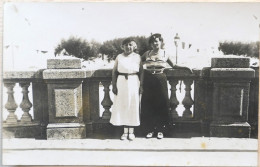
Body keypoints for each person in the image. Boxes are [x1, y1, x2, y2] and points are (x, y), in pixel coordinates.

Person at [141, 33, 191, 139]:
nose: (155, 43)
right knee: (148, 104)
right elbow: (137, 64)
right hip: (148, 79)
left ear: (161, 42)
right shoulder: (147, 53)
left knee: (162, 104)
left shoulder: (165, 53)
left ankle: (160, 130)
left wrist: (186, 68)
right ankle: (150, 129)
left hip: (160, 79)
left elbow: (174, 65)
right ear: (151, 44)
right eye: (153, 41)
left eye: (157, 41)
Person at [110, 38, 144, 140]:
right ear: (122, 46)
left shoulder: (137, 57)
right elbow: (114, 72)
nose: (128, 47)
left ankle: (131, 131)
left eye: (130, 45)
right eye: (126, 45)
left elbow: (141, 72)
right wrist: (114, 85)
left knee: (132, 104)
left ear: (134, 47)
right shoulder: (119, 57)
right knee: (123, 105)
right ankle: (125, 132)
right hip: (121, 82)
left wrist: (141, 85)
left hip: (133, 81)